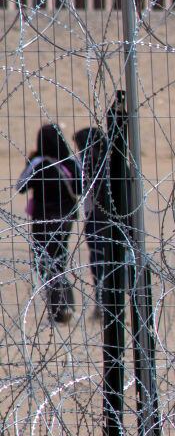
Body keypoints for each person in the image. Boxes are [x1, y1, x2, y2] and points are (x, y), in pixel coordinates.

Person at [17, 123, 82, 323]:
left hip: (43, 220)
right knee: (59, 261)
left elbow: (20, 186)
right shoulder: (70, 163)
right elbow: (81, 187)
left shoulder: (39, 163)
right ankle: (66, 306)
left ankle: (58, 310)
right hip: (65, 219)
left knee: (45, 263)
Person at [74, 126, 112, 319]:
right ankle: (106, 304)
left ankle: (105, 304)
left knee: (100, 262)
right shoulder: (112, 163)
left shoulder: (89, 164)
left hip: (98, 219)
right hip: (106, 219)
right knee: (106, 262)